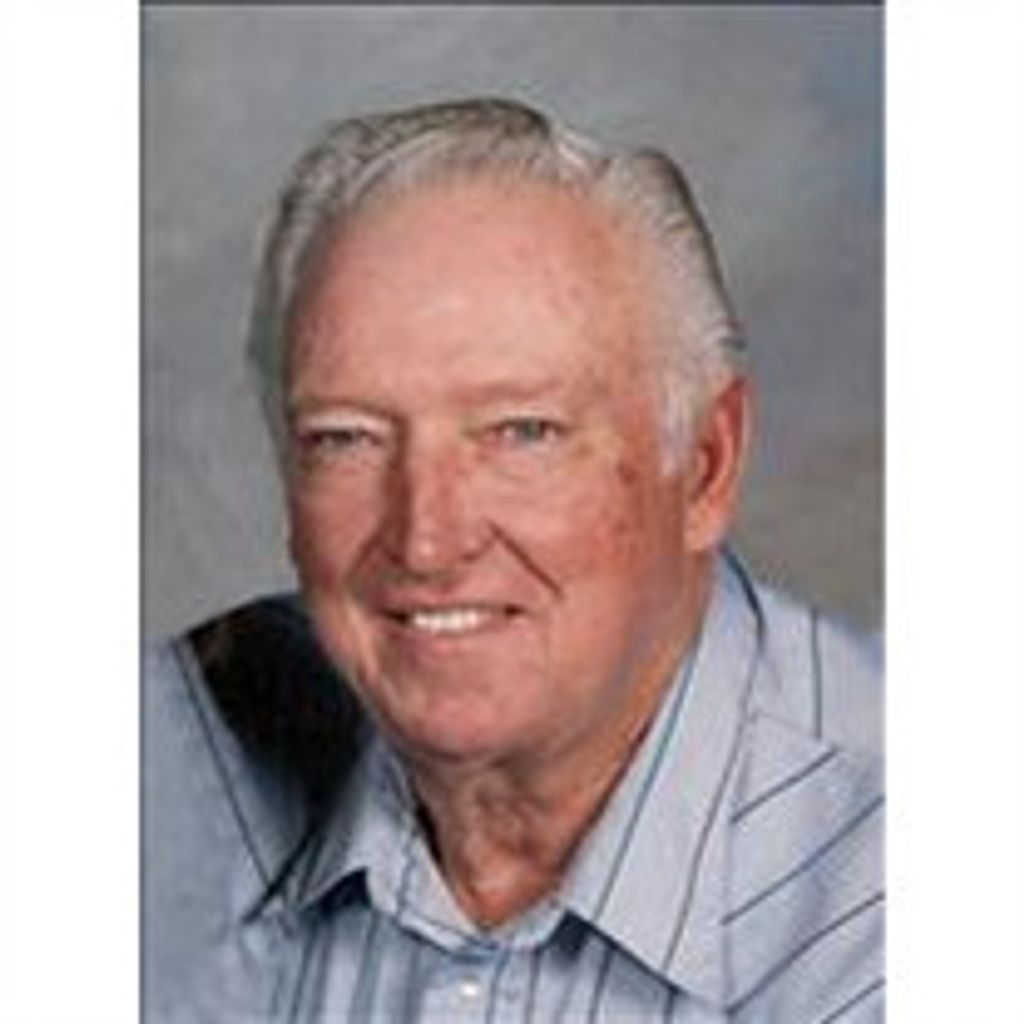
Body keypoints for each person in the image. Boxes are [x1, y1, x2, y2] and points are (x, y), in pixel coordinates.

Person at [144, 98, 883, 1022]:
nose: (427, 540)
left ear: (704, 465)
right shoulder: (170, 764)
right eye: (347, 438)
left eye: (521, 432)